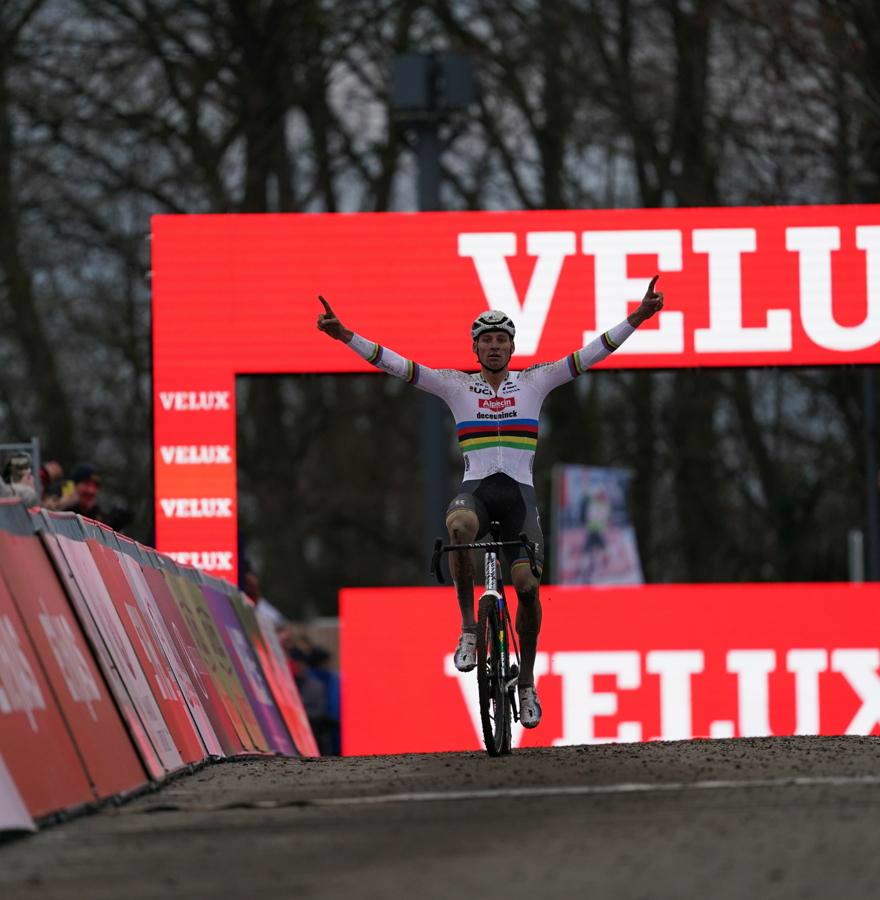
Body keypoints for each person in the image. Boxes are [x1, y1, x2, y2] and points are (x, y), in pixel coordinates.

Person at [316, 277, 664, 728]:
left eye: (502, 340)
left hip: (519, 498)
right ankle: (467, 629)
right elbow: (398, 366)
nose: (495, 347)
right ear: (476, 349)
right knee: (458, 528)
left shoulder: (535, 381)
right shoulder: (455, 386)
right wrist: (346, 336)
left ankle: (526, 685)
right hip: (478, 491)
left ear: (512, 347)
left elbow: (592, 353)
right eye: (487, 341)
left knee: (529, 589)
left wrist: (637, 317)